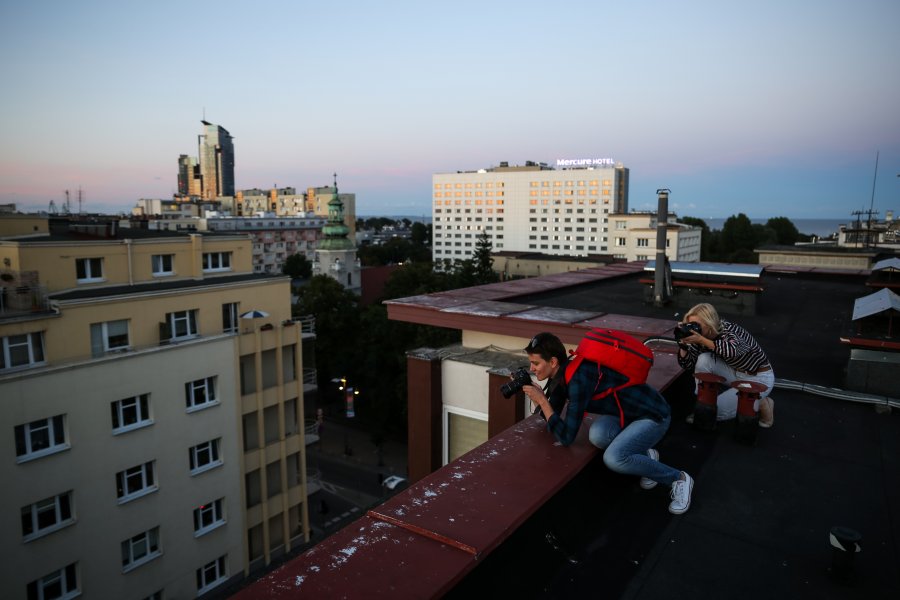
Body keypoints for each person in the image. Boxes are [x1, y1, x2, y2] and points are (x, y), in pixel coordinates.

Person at [521, 332, 694, 515]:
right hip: (626, 414)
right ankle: (646, 456)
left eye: (536, 363)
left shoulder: (578, 378)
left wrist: (543, 401)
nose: (532, 368)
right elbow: (550, 418)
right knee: (598, 435)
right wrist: (539, 396)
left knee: (614, 458)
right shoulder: (563, 373)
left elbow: (566, 437)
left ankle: (679, 478)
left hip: (654, 415)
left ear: (553, 362)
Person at [676, 303, 775, 427]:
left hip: (758, 377)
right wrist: (683, 346)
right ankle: (704, 399)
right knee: (703, 359)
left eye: (697, 325)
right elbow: (687, 365)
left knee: (714, 413)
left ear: (709, 322)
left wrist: (702, 340)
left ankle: (761, 403)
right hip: (733, 372)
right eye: (690, 325)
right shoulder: (701, 336)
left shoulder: (730, 330)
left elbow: (734, 350)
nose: (693, 329)